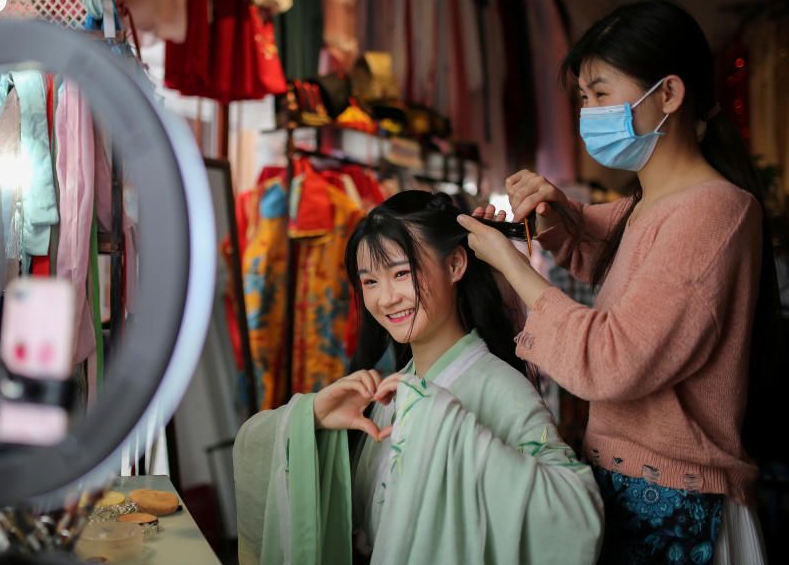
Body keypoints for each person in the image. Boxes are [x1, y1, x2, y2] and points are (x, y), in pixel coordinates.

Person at [457, 0, 775, 564]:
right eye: (583, 98)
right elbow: (609, 246)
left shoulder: (712, 212)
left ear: (670, 95)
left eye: (601, 94)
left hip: (679, 509)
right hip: (632, 493)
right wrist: (554, 215)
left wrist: (513, 268)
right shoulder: (650, 203)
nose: (588, 112)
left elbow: (613, 359)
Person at [233, 190, 603, 564]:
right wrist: (314, 420)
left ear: (455, 265)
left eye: (401, 273)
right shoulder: (393, 391)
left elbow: (576, 518)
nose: (386, 298)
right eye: (371, 282)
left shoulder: (500, 388)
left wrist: (450, 428)